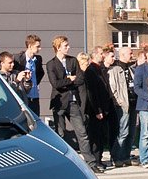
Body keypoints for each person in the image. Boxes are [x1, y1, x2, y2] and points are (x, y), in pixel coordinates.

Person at [44, 35, 96, 169]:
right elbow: (55, 84)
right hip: (59, 102)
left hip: (73, 102)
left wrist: (69, 81)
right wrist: (69, 79)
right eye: (65, 46)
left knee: (82, 133)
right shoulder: (51, 64)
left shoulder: (73, 61)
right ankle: (62, 163)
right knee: (60, 134)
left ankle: (91, 163)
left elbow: (80, 79)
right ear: (58, 47)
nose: (68, 47)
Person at [81, 46, 115, 170]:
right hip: (95, 109)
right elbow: (92, 92)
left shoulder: (99, 69)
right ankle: (94, 160)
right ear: (95, 55)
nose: (102, 55)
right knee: (95, 135)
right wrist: (97, 110)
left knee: (101, 135)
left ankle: (99, 159)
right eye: (101, 53)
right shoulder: (91, 70)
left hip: (103, 107)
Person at [20, 35, 44, 115]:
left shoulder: (38, 59)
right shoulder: (19, 59)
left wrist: (35, 83)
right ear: (30, 46)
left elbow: (41, 73)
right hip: (24, 97)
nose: (40, 48)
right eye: (37, 46)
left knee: (36, 119)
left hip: (35, 97)